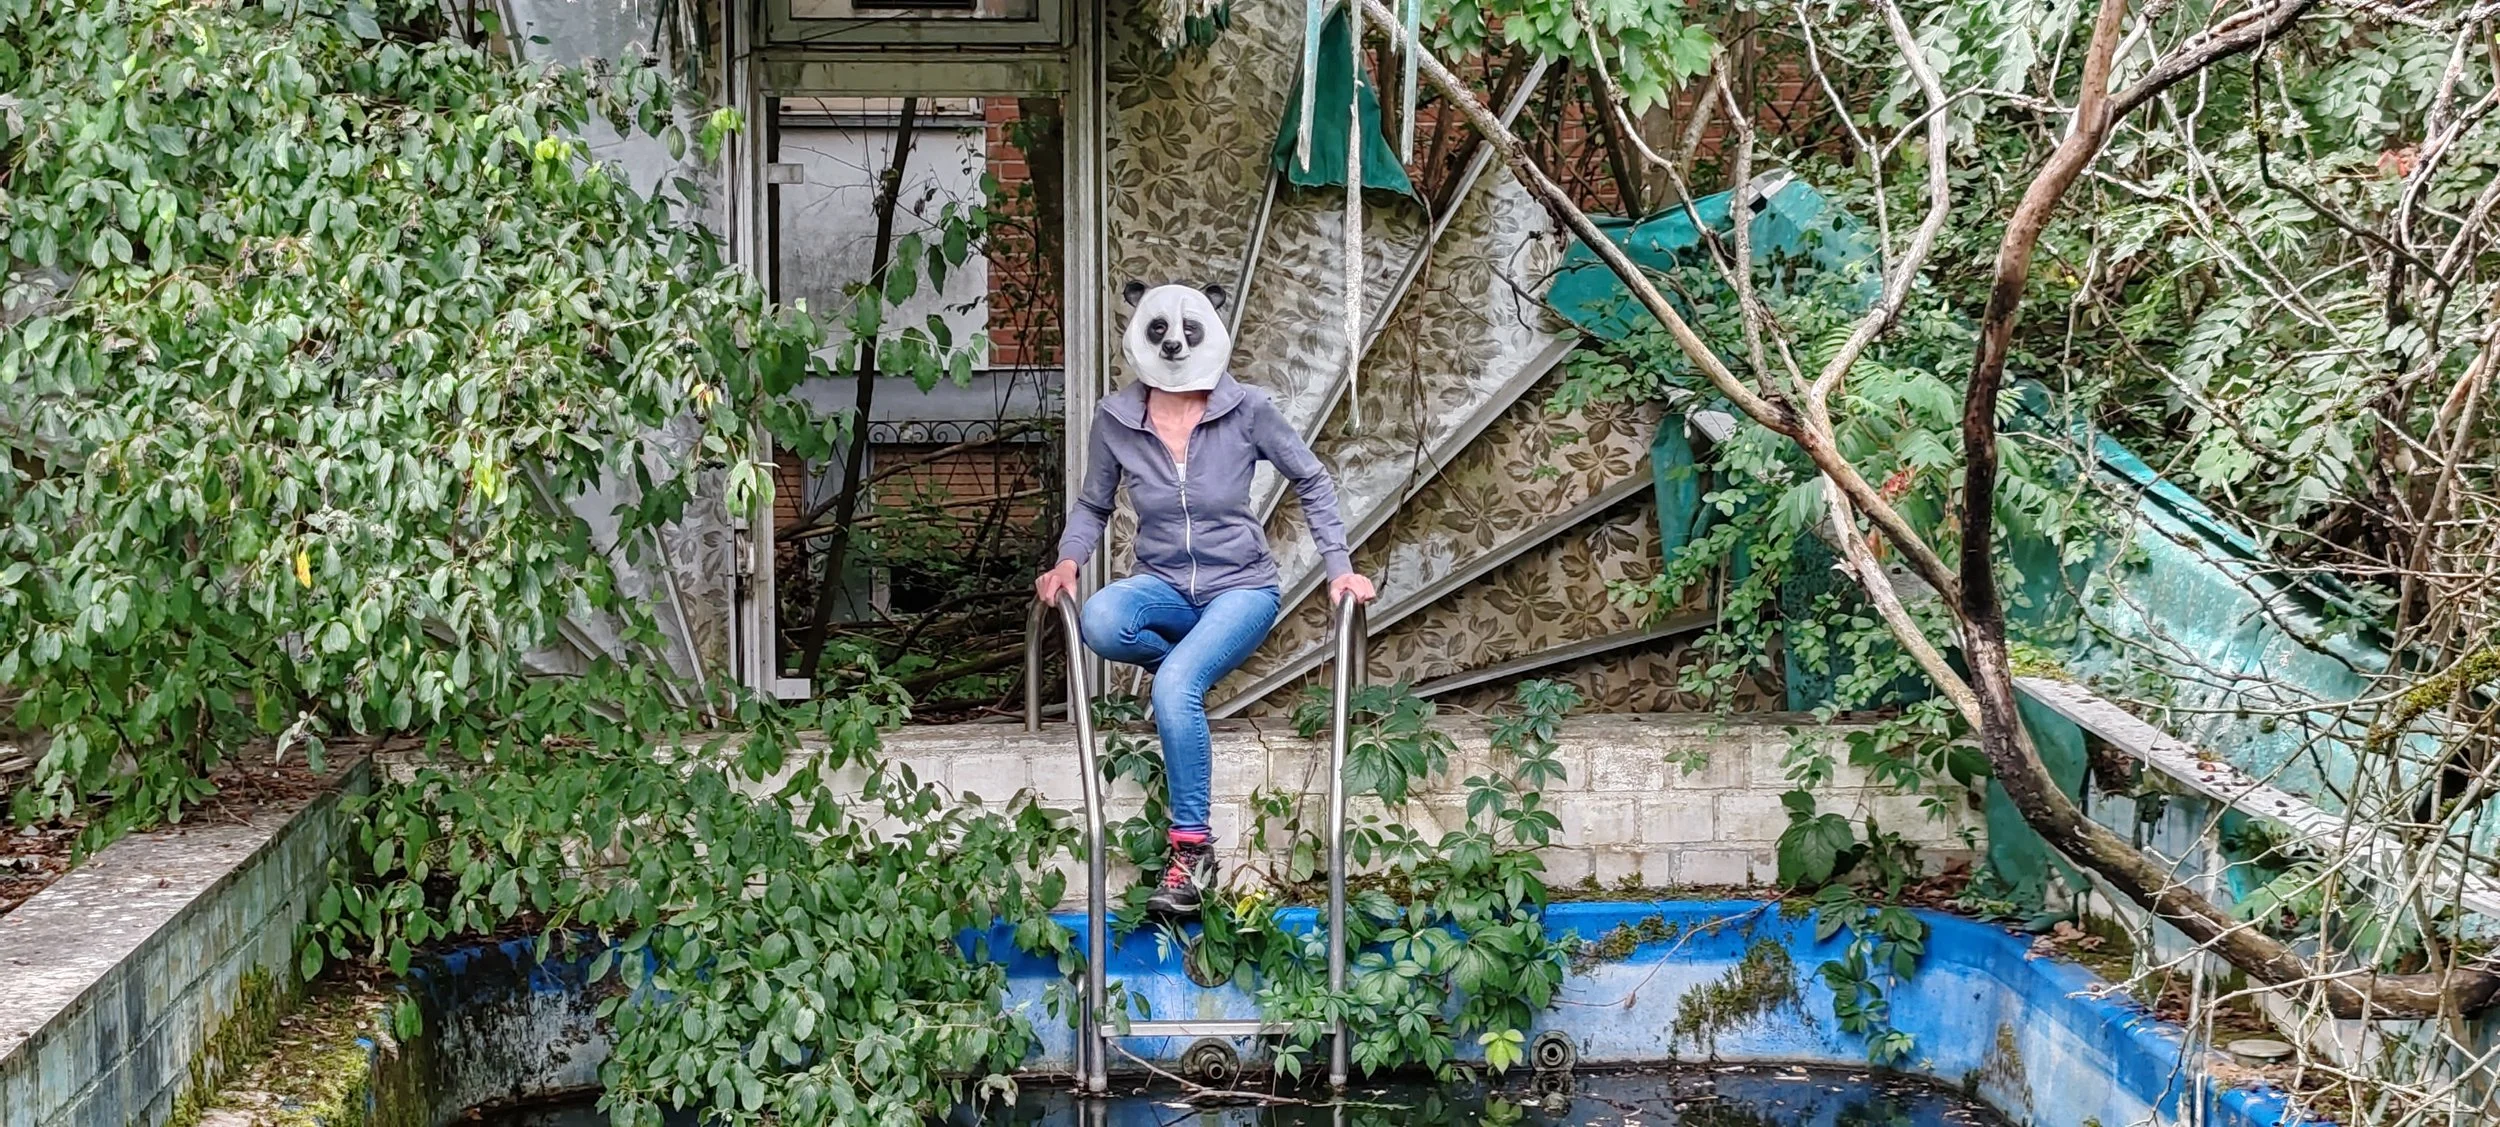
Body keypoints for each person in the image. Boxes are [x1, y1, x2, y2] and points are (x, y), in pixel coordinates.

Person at [1037, 280, 1376, 917]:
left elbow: (1311, 478)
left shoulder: (1248, 409)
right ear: (1141, 332)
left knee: (1173, 690)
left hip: (1240, 588)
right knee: (1103, 620)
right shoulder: (1115, 420)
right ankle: (1182, 673)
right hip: (1163, 584)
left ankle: (1192, 851)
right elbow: (1092, 504)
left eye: (1187, 332)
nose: (1173, 344)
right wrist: (1067, 561)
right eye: (1161, 330)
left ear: (1210, 331)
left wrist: (1340, 569)